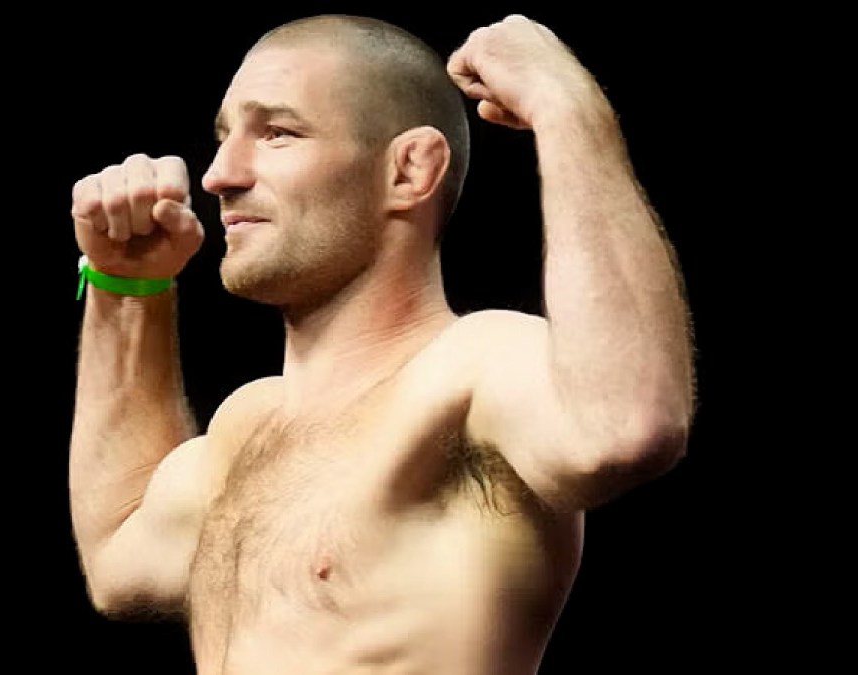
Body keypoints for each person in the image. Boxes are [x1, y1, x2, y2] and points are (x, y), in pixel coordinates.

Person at [68, 12, 695, 674]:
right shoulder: (246, 426)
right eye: (225, 137)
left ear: (410, 170)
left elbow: (626, 423)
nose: (220, 175)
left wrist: (565, 104)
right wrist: (125, 284)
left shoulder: (473, 369)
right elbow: (116, 551)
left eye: (277, 133)